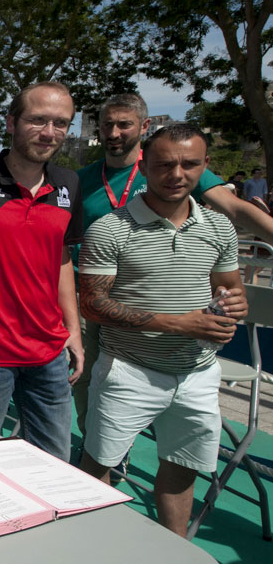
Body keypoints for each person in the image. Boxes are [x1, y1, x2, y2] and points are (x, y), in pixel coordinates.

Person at [78, 124, 247, 564]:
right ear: (144, 167)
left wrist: (230, 307)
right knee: (99, 467)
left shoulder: (218, 227)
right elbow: (94, 305)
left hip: (197, 371)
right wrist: (179, 324)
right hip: (129, 370)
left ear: (204, 165)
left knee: (182, 466)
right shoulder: (111, 228)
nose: (177, 174)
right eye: (165, 164)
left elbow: (227, 289)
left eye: (189, 164)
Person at [72, 93, 273, 436]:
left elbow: (235, 209)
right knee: (87, 385)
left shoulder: (174, 166)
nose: (114, 132)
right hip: (92, 298)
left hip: (151, 306)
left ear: (145, 126)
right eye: (107, 125)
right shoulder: (81, 178)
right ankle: (99, 449)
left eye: (124, 124)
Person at [0, 83, 82, 460]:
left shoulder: (69, 184)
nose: (49, 132)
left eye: (61, 123)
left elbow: (62, 259)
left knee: (55, 464)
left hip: (48, 351)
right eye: (38, 120)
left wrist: (74, 331)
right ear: (11, 122)